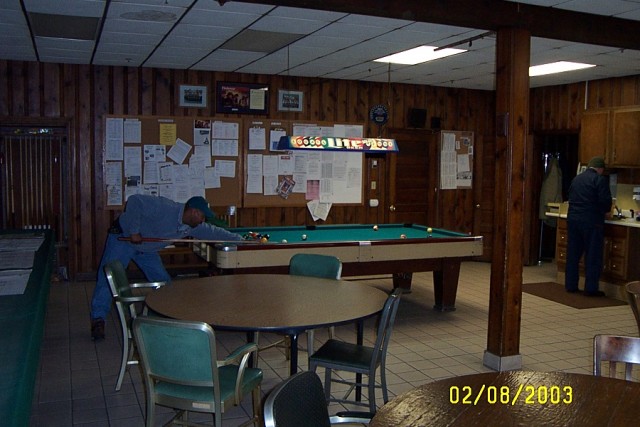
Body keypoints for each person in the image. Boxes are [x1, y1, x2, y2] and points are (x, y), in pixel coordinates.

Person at [90, 195, 242, 340]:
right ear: (194, 211)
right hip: (123, 239)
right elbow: (135, 201)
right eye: (202, 216)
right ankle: (98, 319)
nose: (203, 220)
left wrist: (240, 241)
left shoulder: (191, 227)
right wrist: (134, 231)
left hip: (147, 249)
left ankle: (166, 318)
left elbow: (213, 232)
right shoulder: (165, 207)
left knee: (163, 283)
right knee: (108, 279)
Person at [564, 156, 612, 297]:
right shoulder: (599, 180)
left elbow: (570, 196)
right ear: (600, 169)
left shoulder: (576, 179)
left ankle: (571, 285)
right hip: (591, 221)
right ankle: (591, 288)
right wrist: (606, 211)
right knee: (592, 255)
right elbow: (605, 201)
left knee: (573, 254)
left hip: (573, 219)